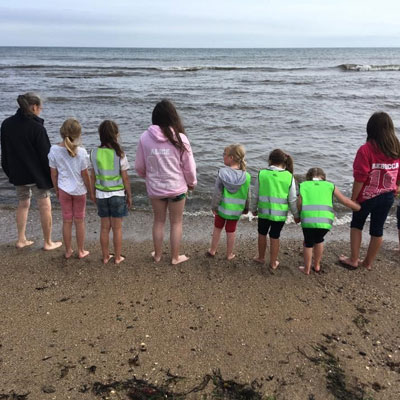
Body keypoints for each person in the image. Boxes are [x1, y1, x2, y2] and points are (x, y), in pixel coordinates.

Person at [135, 99, 197, 265]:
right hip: (177, 189)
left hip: (156, 189)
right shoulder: (180, 138)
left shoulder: (144, 138)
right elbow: (189, 167)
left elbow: (139, 166)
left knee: (159, 221)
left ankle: (157, 255)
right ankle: (175, 257)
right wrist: (192, 182)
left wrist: (146, 176)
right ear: (173, 117)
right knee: (176, 222)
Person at [0, 92, 61, 250]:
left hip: (17, 173)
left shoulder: (6, 124)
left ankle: (21, 239)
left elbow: (5, 152)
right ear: (34, 107)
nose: (40, 110)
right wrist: (52, 177)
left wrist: (9, 172)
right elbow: (46, 155)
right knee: (45, 205)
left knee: (23, 204)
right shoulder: (37, 128)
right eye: (40, 108)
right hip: (36, 175)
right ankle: (48, 242)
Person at [340, 112, 400, 270]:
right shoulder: (396, 148)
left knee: (357, 225)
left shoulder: (366, 150)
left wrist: (353, 199)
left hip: (366, 196)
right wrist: (396, 187)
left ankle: (354, 259)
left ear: (370, 129)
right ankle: (368, 262)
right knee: (377, 229)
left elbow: (360, 177)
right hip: (387, 195)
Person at [298, 168, 361, 275]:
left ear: (308, 178)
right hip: (325, 222)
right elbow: (344, 200)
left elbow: (299, 204)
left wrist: (298, 214)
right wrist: (357, 207)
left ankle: (306, 269)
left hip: (308, 220)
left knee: (308, 243)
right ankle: (317, 265)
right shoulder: (330, 185)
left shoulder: (303, 185)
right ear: (324, 177)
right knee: (319, 240)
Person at [49, 119, 94, 259]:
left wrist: (56, 189)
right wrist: (91, 191)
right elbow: (85, 175)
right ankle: (81, 251)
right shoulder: (81, 151)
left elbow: (53, 173)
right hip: (79, 191)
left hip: (63, 190)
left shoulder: (54, 150)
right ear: (78, 134)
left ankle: (68, 251)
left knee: (67, 221)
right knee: (79, 221)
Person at [90, 120, 132, 265]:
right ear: (116, 135)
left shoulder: (94, 153)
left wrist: (92, 192)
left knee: (104, 228)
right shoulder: (119, 153)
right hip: (117, 194)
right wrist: (129, 195)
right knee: (117, 228)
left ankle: (106, 256)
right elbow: (125, 177)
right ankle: (118, 257)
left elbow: (93, 176)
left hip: (101, 194)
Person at [252, 149, 300, 269]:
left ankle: (261, 257)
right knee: (275, 236)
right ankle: (273, 262)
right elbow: (292, 199)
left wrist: (253, 208)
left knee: (262, 234)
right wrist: (296, 215)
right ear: (284, 161)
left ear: (270, 160)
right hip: (280, 215)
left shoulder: (262, 173)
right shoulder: (289, 176)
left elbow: (255, 194)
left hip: (263, 212)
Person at [208, 144, 251, 260]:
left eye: (224, 154)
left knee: (217, 228)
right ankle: (229, 254)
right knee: (231, 231)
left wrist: (214, 207)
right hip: (235, 211)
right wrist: (247, 208)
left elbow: (217, 192)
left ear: (231, 157)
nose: (223, 156)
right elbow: (248, 195)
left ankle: (212, 250)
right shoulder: (246, 176)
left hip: (222, 209)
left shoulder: (222, 173)